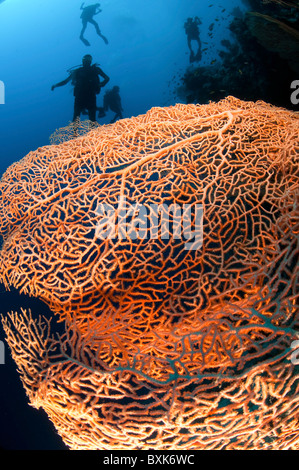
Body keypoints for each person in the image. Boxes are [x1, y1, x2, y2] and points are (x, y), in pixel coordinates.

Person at [51, 54, 110, 123]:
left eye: (87, 60)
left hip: (85, 96)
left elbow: (65, 81)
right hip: (86, 96)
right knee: (87, 118)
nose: (86, 62)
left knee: (80, 117)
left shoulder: (83, 71)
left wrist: (55, 85)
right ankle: (77, 133)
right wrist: (101, 84)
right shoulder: (89, 70)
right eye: (85, 60)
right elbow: (107, 78)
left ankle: (76, 133)